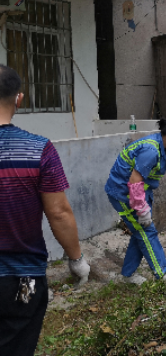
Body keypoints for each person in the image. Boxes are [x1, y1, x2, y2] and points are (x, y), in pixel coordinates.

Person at [0, 64, 90, 355]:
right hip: (23, 280)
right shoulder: (38, 149)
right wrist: (76, 259)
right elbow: (59, 213)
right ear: (19, 99)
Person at [105, 118, 166, 284]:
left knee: (140, 233)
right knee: (147, 232)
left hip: (139, 192)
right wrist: (141, 209)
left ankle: (128, 274)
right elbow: (134, 180)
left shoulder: (161, 145)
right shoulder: (151, 151)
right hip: (124, 194)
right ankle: (163, 274)